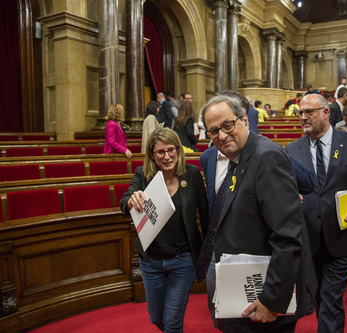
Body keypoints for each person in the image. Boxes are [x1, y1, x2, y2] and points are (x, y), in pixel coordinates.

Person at [198, 94, 317, 333]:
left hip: (264, 299)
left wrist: (272, 300)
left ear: (244, 119)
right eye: (213, 131)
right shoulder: (239, 158)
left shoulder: (267, 157)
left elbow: (288, 237)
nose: (221, 136)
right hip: (242, 287)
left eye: (227, 125)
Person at [285, 94, 347, 333]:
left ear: (326, 112)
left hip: (342, 236)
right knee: (319, 296)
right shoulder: (291, 149)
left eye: (309, 112)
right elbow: (287, 187)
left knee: (329, 298)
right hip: (308, 239)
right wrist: (290, 195)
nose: (303, 117)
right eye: (300, 113)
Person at [119, 128, 209, 333]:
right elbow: (124, 201)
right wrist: (131, 201)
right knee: (156, 318)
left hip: (183, 260)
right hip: (151, 261)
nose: (167, 156)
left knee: (172, 321)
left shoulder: (192, 174)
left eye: (171, 150)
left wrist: (207, 254)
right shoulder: (143, 175)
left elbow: (204, 215)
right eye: (160, 152)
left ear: (178, 150)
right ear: (152, 154)